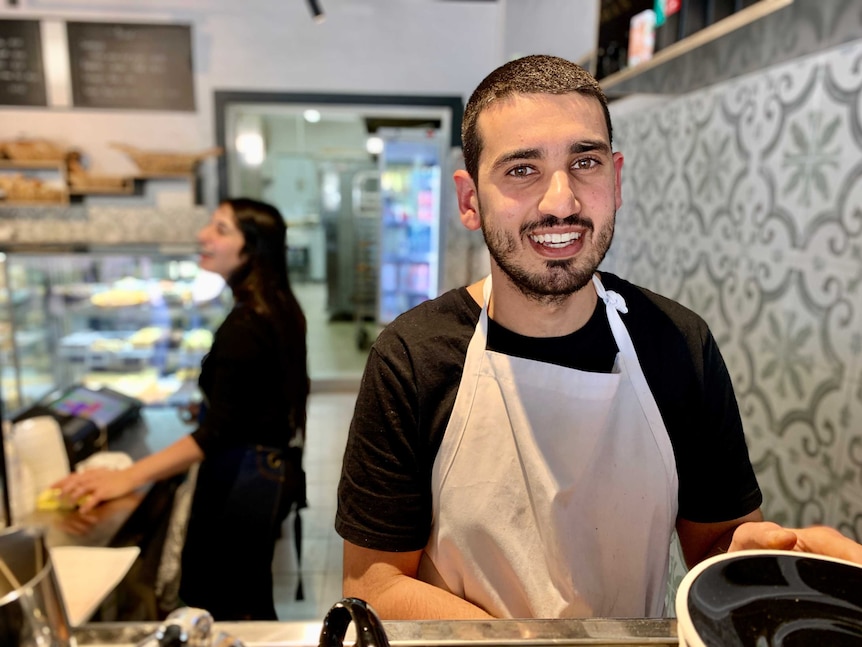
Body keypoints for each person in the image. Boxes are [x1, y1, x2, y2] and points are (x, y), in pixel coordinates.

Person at [335, 55, 862, 621]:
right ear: (469, 200)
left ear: (616, 178)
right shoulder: (412, 358)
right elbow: (378, 585)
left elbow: (713, 545)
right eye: (521, 170)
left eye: (584, 162)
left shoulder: (679, 344)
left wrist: (764, 560)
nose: (560, 202)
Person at [54, 197, 310, 621]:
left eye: (221, 229)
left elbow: (218, 435)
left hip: (240, 480)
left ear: (252, 248)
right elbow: (262, 400)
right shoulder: (277, 306)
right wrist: (214, 407)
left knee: (228, 606)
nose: (203, 236)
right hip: (269, 471)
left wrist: (126, 477)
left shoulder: (246, 325)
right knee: (245, 597)